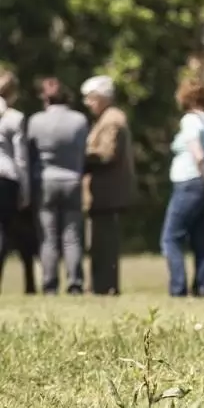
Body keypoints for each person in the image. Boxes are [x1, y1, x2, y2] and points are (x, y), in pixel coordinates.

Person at [26, 77, 89, 294]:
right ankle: (75, 283)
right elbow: (82, 152)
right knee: (72, 237)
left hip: (45, 181)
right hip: (71, 179)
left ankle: (50, 284)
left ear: (45, 98)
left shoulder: (35, 121)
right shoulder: (79, 120)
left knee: (48, 238)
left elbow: (30, 154)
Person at [160, 77, 204, 297]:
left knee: (170, 237)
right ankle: (203, 287)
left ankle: (178, 288)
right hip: (203, 186)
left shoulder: (190, 121)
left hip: (189, 182)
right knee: (199, 238)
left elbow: (199, 154)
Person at [80, 75, 137, 295]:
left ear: (103, 98)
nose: (88, 103)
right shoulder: (108, 118)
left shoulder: (112, 120)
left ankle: (105, 286)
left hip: (107, 193)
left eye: (91, 98)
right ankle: (100, 285)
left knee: (104, 244)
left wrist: (80, 158)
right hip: (104, 193)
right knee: (99, 242)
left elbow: (106, 154)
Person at [0, 69, 36, 294]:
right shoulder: (15, 118)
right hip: (7, 178)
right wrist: (26, 191)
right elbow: (21, 159)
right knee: (8, 231)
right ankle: (29, 282)